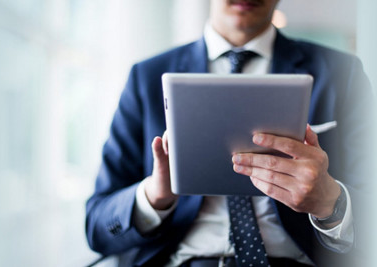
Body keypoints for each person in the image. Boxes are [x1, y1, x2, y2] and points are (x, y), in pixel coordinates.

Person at [85, 0, 376, 266]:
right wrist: (154, 196)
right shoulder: (146, 77)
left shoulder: (341, 74)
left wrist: (331, 202)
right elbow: (97, 224)